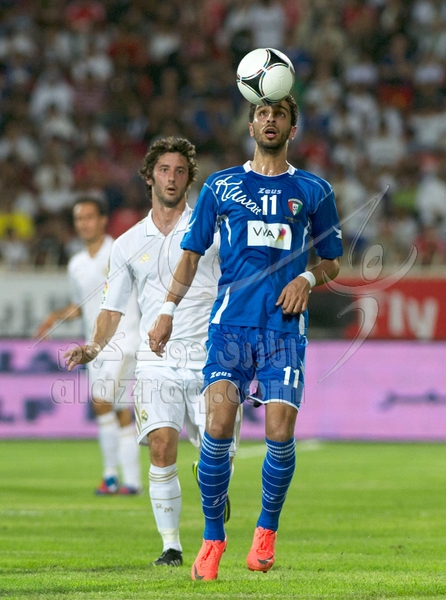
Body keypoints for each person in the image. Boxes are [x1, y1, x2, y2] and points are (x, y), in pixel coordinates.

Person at [148, 95, 343, 580]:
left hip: (283, 330)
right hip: (230, 328)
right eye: (262, 113)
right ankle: (213, 538)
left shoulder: (314, 190)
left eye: (280, 115)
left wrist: (307, 279)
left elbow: (332, 261)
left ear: (292, 129)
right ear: (251, 125)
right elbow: (191, 254)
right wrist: (167, 310)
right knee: (216, 428)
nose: (270, 120)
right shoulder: (222, 185)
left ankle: (266, 531)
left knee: (279, 432)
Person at [64, 137, 240, 567]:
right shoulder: (127, 243)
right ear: (149, 177)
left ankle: (212, 482)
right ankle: (171, 546)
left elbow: (237, 284)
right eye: (164, 170)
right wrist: (94, 346)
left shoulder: (213, 231)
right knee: (161, 446)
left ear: (189, 179)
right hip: (156, 361)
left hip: (212, 358)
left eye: (180, 171)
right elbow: (111, 308)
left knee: (219, 455)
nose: (172, 178)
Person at [36, 197, 142, 495]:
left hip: (124, 338)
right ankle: (132, 481)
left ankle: (110, 476)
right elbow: (80, 305)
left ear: (103, 219)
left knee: (100, 402)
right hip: (93, 347)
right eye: (79, 219)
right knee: (118, 410)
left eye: (89, 217)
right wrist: (55, 318)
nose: (84, 223)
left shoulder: (120, 250)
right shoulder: (77, 264)